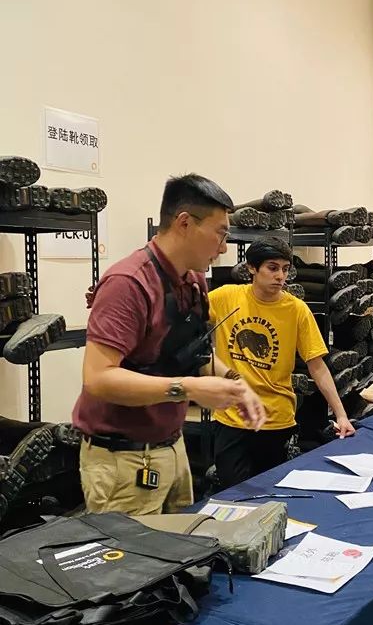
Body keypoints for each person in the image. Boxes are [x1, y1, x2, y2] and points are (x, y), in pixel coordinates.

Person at [73, 174, 266, 516]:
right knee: (134, 564)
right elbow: (98, 378)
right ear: (185, 223)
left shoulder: (192, 282)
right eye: (220, 234)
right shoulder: (128, 284)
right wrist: (188, 389)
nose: (223, 248)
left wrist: (237, 384)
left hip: (172, 451)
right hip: (123, 461)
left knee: (179, 558)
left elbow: (194, 355)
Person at [208, 236, 355, 488]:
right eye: (272, 268)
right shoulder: (225, 298)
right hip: (232, 418)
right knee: (232, 493)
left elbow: (317, 366)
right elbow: (182, 315)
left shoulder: (296, 309)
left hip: (276, 419)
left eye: (285, 269)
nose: (281, 276)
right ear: (252, 268)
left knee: (268, 496)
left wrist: (341, 415)